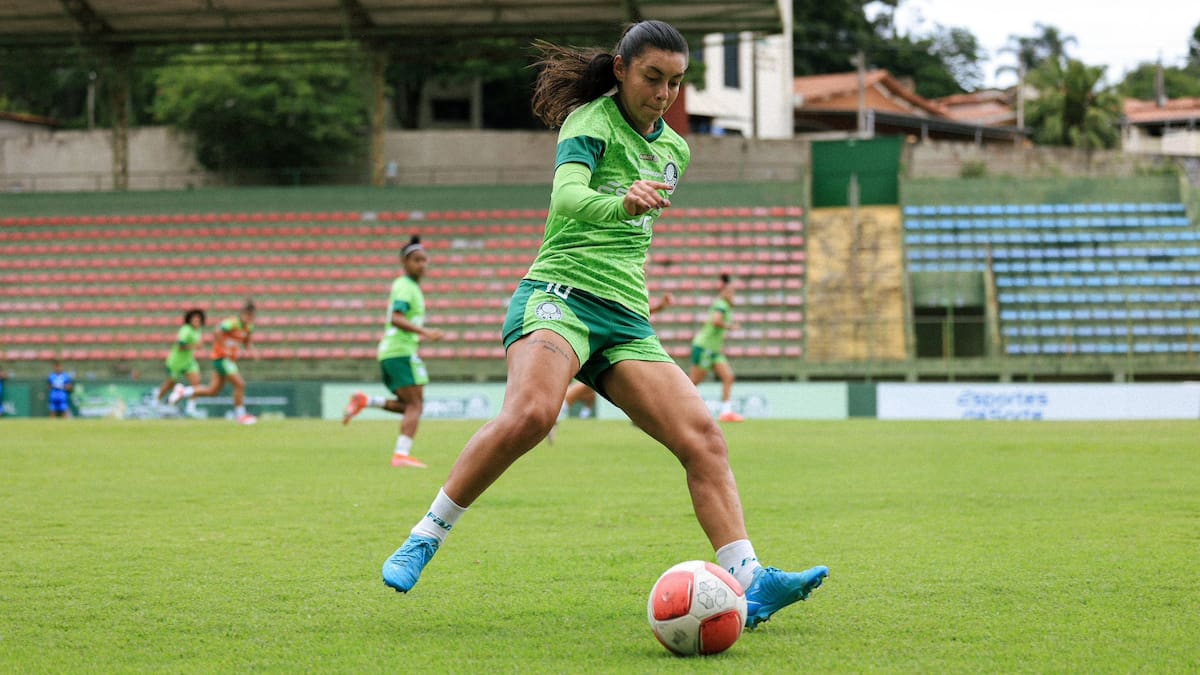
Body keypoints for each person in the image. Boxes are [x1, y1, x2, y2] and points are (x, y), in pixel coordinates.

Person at [379, 20, 827, 630]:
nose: (664, 93)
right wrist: (620, 200)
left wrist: (633, 216)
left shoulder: (676, 150)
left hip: (625, 318)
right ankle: (426, 535)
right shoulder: (588, 123)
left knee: (703, 438)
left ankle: (750, 580)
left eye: (675, 82)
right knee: (533, 414)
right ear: (620, 68)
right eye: (652, 77)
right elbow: (566, 197)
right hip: (559, 294)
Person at [342, 235, 445, 468]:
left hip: (393, 352)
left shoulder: (410, 287)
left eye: (425, 260)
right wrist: (425, 333)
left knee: (409, 405)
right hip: (400, 351)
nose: (422, 264)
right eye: (417, 260)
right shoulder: (404, 287)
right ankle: (401, 455)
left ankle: (365, 401)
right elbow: (396, 318)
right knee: (416, 405)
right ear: (404, 262)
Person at [550, 292, 673, 437]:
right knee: (601, 379)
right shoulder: (623, 276)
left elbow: (633, 311)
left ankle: (560, 409)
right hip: (605, 331)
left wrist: (658, 308)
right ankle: (559, 409)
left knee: (601, 385)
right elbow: (627, 310)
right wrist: (658, 307)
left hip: (610, 330)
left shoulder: (635, 279)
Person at [171, 299, 257, 425]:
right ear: (242, 314)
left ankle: (184, 391)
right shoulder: (232, 323)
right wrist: (224, 348)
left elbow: (247, 341)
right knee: (240, 384)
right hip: (222, 359)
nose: (249, 318)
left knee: (212, 391)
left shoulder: (249, 327)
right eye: (247, 315)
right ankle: (241, 415)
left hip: (229, 360)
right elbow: (217, 331)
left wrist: (252, 351)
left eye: (252, 316)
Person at [689, 273, 744, 422]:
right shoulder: (721, 305)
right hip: (705, 348)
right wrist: (731, 327)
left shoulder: (724, 305)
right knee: (693, 382)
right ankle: (673, 408)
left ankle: (726, 413)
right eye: (730, 292)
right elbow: (716, 321)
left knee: (728, 377)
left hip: (714, 350)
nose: (733, 295)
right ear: (724, 293)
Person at [160, 308, 206, 416]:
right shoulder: (185, 330)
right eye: (194, 320)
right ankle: (157, 402)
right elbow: (180, 346)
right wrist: (195, 346)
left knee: (197, 384)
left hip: (189, 362)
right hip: (176, 362)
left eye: (199, 320)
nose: (197, 322)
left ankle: (191, 408)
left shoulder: (198, 330)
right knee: (168, 385)